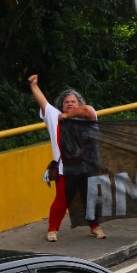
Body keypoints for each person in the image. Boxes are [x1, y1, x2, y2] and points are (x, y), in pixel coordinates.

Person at [29, 74, 105, 241]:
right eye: (66, 102)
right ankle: (52, 230)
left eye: (73, 101)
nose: (70, 103)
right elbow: (43, 103)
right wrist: (34, 86)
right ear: (61, 106)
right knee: (62, 200)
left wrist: (66, 117)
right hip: (65, 169)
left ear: (79, 103)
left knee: (89, 197)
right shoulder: (54, 117)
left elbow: (87, 110)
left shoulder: (88, 117)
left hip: (87, 167)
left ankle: (95, 227)